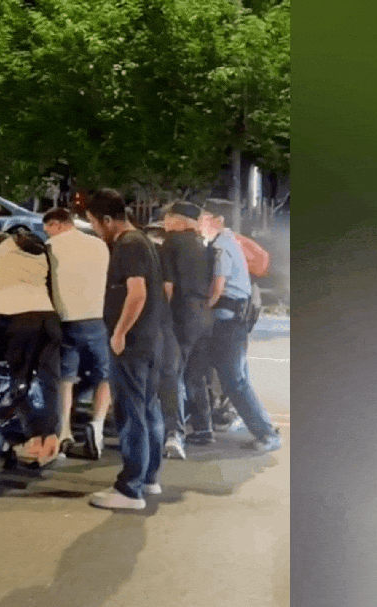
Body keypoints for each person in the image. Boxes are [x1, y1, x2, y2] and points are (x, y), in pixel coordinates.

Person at [84, 189, 166, 511]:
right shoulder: (143, 241)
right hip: (151, 339)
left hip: (133, 342)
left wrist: (119, 332)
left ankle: (130, 489)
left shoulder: (128, 244)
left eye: (94, 223)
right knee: (148, 409)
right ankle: (148, 478)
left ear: (107, 219)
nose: (94, 230)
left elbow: (137, 293)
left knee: (131, 414)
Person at [0, 207, 64, 466]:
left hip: (18, 320)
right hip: (48, 319)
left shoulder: (4, 244)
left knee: (20, 378)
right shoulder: (43, 251)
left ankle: (33, 438)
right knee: (50, 380)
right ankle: (51, 436)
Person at [200, 203, 282, 452]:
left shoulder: (222, 246)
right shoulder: (231, 241)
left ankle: (266, 433)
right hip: (239, 317)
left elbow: (218, 287)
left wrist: (202, 308)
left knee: (234, 380)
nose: (200, 223)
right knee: (236, 377)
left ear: (217, 220)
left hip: (229, 321)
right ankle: (258, 426)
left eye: (204, 218)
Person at [41, 206, 112, 460]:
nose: (47, 234)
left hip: (65, 320)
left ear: (57, 224)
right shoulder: (99, 245)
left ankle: (64, 432)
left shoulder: (50, 247)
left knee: (66, 379)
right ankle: (97, 425)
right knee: (105, 375)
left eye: (48, 229)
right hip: (97, 318)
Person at [157, 201, 216, 459]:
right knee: (196, 374)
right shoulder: (205, 245)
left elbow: (167, 286)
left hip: (181, 311)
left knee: (171, 373)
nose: (165, 223)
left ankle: (174, 433)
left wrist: (161, 316)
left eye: (167, 218)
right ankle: (204, 428)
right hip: (204, 313)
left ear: (179, 221)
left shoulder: (170, 243)